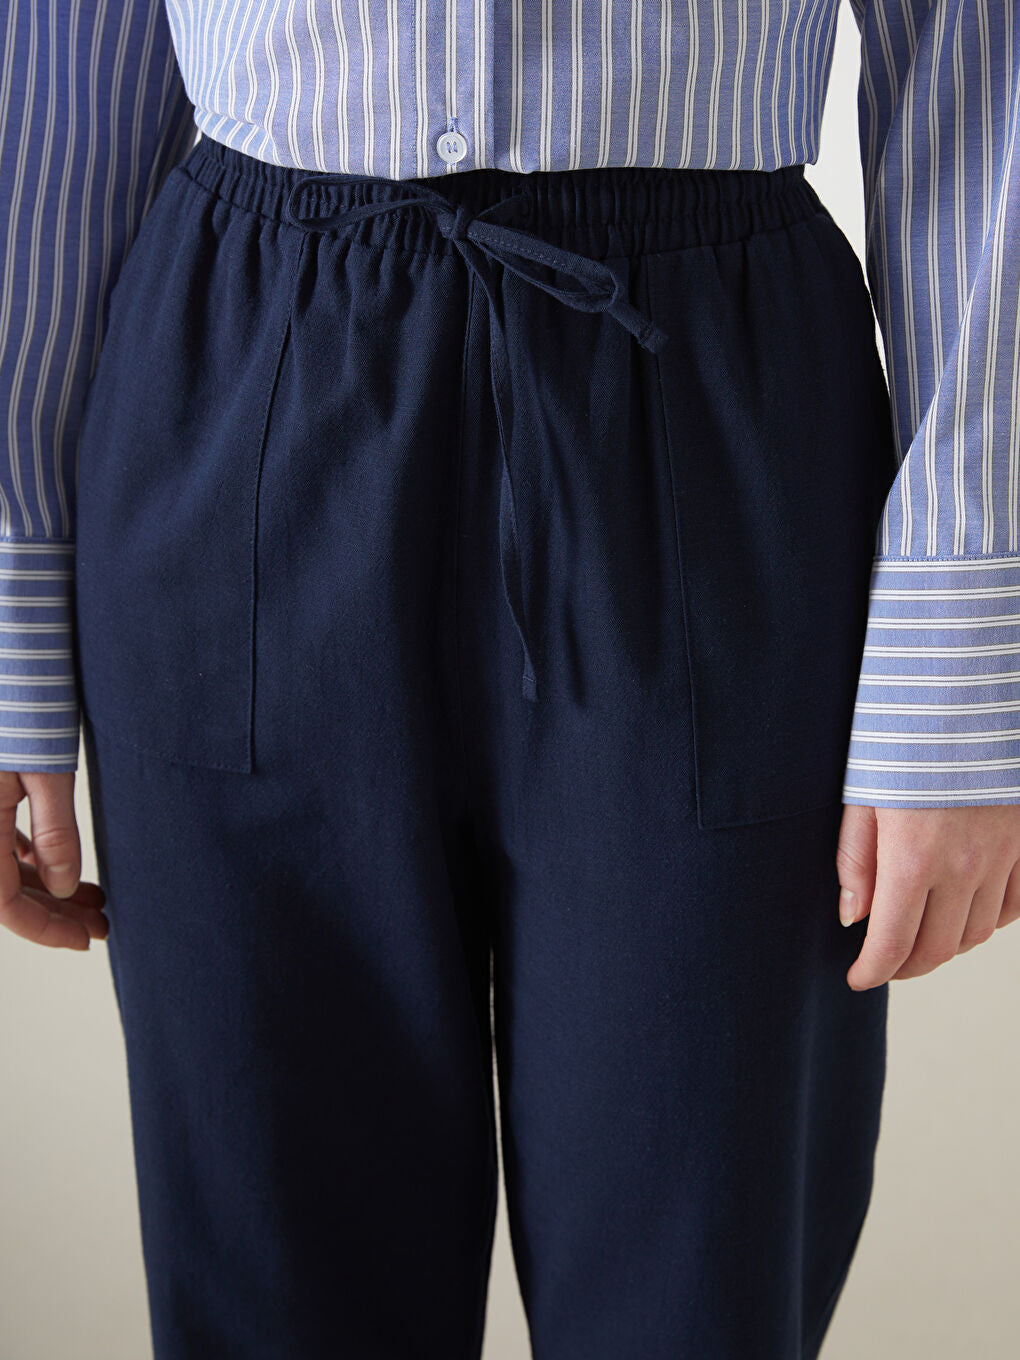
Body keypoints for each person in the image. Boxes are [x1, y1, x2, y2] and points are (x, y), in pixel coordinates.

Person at [2, 2, 1018, 1357]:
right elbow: (53, 72)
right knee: (270, 1279)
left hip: (712, 402)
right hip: (247, 393)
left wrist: (968, 646)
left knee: (699, 1284)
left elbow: (982, 65)